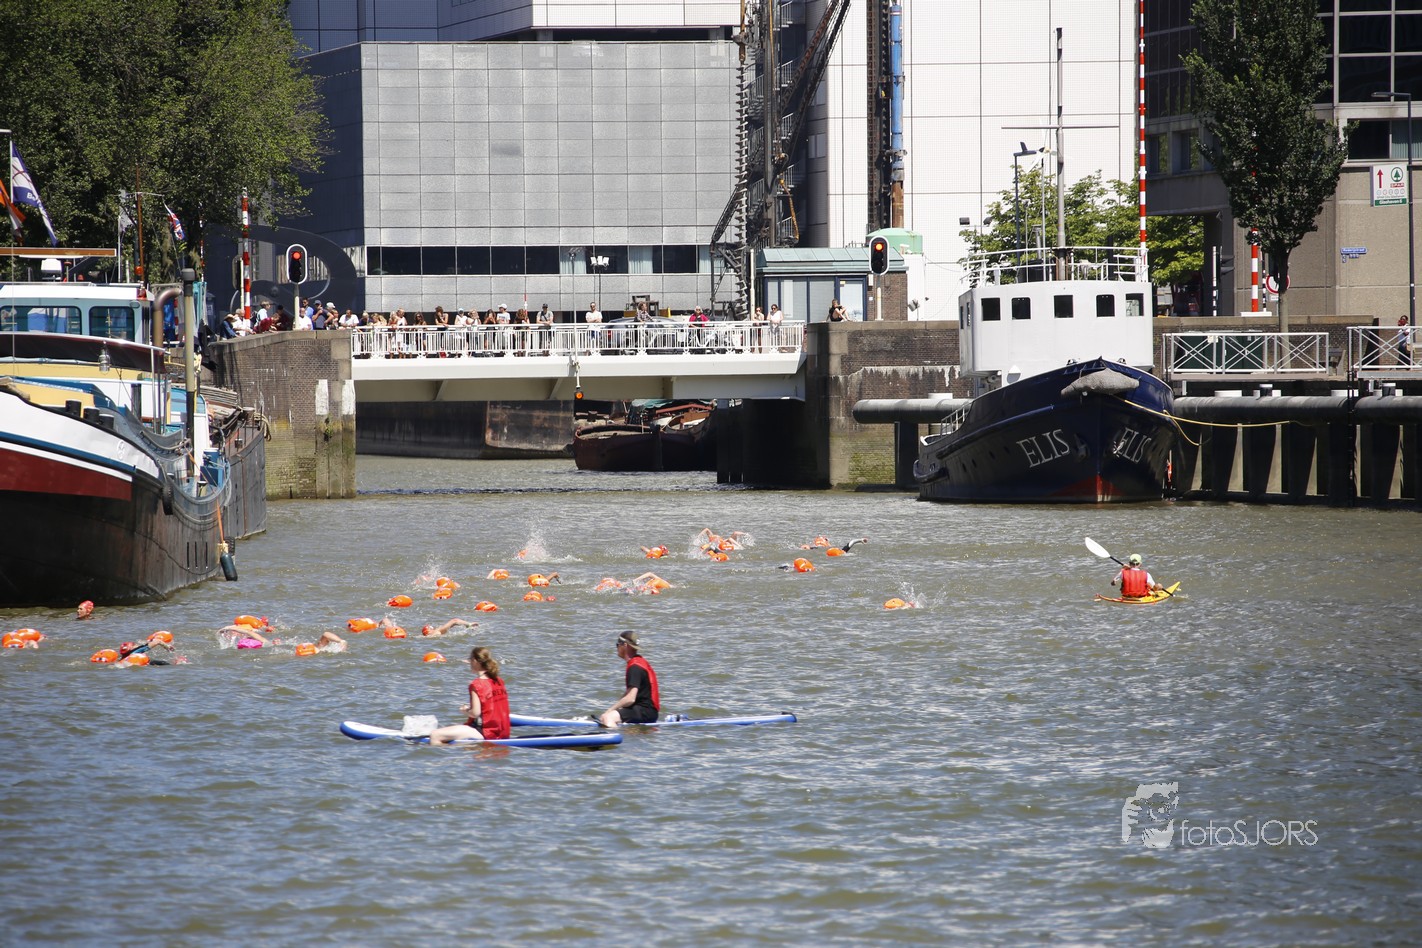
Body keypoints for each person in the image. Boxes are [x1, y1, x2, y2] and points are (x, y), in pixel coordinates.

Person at [428, 646, 511, 744]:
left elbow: (475, 713)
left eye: (470, 659)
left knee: (435, 735)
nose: (469, 662)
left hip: (487, 732)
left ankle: (445, 752)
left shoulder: (476, 684)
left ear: (475, 661)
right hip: (504, 732)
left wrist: (465, 710)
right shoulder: (499, 681)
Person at [599, 631, 659, 727]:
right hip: (648, 711)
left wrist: (609, 712)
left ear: (625, 645)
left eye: (617, 645)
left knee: (608, 718)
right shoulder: (639, 662)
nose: (617, 648)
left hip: (645, 712)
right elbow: (628, 694)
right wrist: (616, 709)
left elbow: (630, 699)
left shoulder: (634, 667)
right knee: (612, 715)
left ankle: (613, 735)